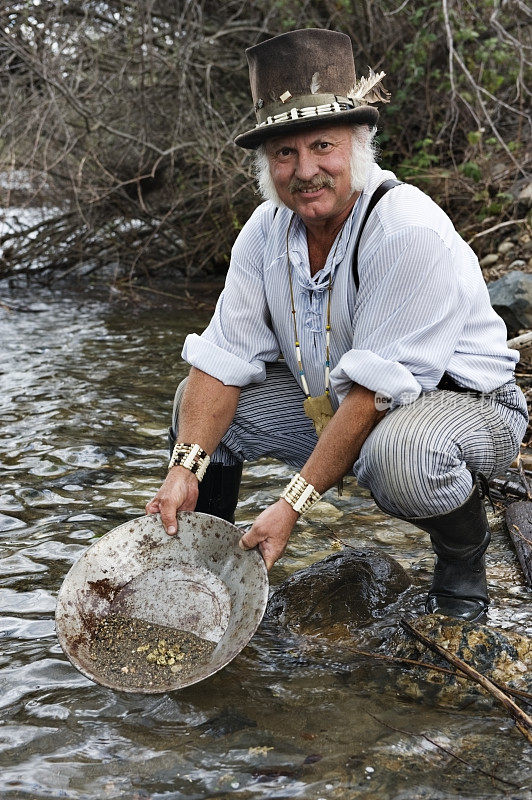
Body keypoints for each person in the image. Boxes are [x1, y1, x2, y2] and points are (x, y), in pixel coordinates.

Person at [146, 28, 528, 622]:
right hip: (333, 404)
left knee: (404, 454)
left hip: (464, 406)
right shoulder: (264, 231)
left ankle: (463, 559)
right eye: (285, 154)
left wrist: (290, 507)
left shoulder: (405, 228)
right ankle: (207, 570)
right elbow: (222, 359)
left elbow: (376, 393)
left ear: (358, 143)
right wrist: (181, 469)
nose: (305, 171)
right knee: (191, 410)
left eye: (322, 146)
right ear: (265, 165)